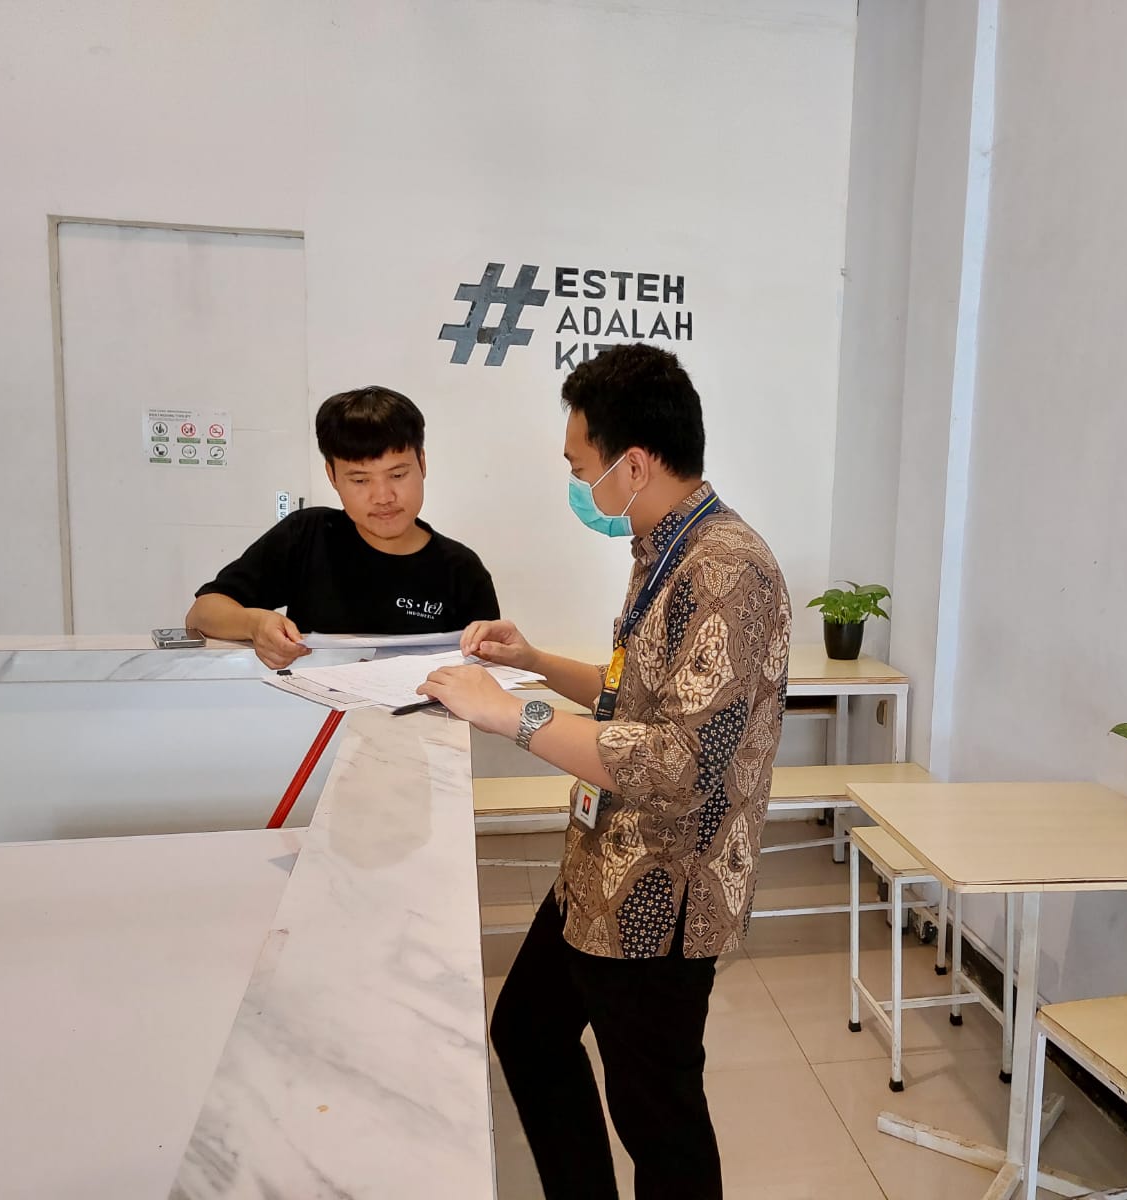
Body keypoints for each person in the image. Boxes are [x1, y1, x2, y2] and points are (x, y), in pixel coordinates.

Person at [417, 344, 791, 1200]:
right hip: (600, 867)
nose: (578, 485)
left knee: (659, 1120)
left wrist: (511, 714)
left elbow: (680, 761)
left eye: (580, 467)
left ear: (635, 464)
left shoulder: (727, 570)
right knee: (528, 1032)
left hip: (661, 896)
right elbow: (637, 698)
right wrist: (535, 663)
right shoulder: (665, 548)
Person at [186, 386, 500, 669]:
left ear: (422, 463)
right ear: (332, 476)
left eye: (397, 475)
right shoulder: (307, 536)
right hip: (316, 711)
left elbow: (488, 672)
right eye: (360, 480)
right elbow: (202, 612)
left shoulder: (461, 570)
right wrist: (254, 624)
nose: (383, 496)